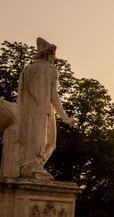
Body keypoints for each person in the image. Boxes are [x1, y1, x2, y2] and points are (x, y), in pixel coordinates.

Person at [0, 37, 76, 179]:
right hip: (42, 110)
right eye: (53, 55)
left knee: (30, 136)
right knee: (48, 141)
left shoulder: (27, 70)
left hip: (26, 111)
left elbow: (22, 94)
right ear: (48, 54)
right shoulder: (50, 70)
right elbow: (54, 95)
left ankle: (27, 165)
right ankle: (35, 166)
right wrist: (63, 116)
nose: (54, 58)